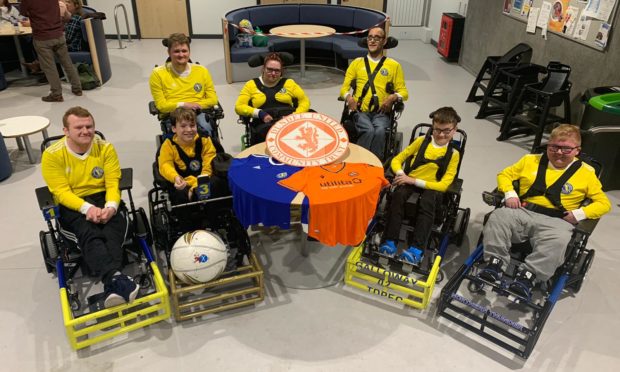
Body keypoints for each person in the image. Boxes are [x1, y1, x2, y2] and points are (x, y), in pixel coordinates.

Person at [480, 124, 611, 298]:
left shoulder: (587, 173)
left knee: (560, 239)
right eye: (554, 147)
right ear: (548, 145)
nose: (559, 152)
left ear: (577, 151)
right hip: (523, 210)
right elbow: (505, 175)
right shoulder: (530, 160)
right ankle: (494, 264)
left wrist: (579, 214)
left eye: (566, 149)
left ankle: (528, 277)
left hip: (557, 221)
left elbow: (603, 203)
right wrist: (510, 193)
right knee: (498, 217)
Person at [41, 107, 139, 308]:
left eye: (89, 126)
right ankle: (116, 278)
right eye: (79, 127)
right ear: (66, 130)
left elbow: (113, 183)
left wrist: (111, 207)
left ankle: (113, 282)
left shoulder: (105, 148)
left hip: (104, 197)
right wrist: (87, 209)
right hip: (73, 202)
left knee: (112, 228)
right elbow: (60, 192)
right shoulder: (52, 155)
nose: (86, 131)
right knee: (89, 232)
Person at [379, 107, 461, 264]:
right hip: (409, 180)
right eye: (437, 130)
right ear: (432, 127)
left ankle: (417, 249)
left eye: (446, 131)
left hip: (432, 187)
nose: (441, 134)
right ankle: (390, 241)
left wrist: (413, 181)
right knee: (398, 196)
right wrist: (401, 174)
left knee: (427, 202)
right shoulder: (420, 142)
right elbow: (397, 160)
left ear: (454, 130)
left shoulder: (454, 154)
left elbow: (444, 185)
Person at [339, 26, 408, 159]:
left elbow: (404, 92)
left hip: (381, 113)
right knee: (369, 130)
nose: (372, 41)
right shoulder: (356, 63)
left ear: (384, 41)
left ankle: (375, 162)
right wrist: (348, 97)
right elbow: (344, 89)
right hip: (360, 112)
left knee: (380, 131)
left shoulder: (394, 65)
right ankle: (360, 160)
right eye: (370, 37)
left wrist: (393, 97)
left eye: (377, 38)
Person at [149, 33, 219, 137]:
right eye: (176, 51)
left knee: (206, 129)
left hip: (199, 113)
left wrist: (193, 106)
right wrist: (184, 105)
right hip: (172, 114)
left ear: (189, 52)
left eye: (184, 51)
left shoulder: (202, 71)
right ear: (169, 52)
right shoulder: (157, 74)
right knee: (178, 133)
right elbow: (162, 106)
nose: (181, 55)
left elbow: (212, 100)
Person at [235, 52, 310, 145]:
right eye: (269, 69)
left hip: (288, 124)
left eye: (277, 70)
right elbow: (239, 106)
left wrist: (294, 116)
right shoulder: (251, 84)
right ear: (263, 69)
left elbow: (305, 101)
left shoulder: (289, 83)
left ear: (281, 71)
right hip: (263, 125)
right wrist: (260, 113)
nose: (273, 73)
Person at [19, 0, 82, 102]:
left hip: (42, 37)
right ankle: (77, 88)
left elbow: (23, 13)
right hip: (58, 34)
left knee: (49, 67)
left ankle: (56, 94)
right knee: (67, 63)